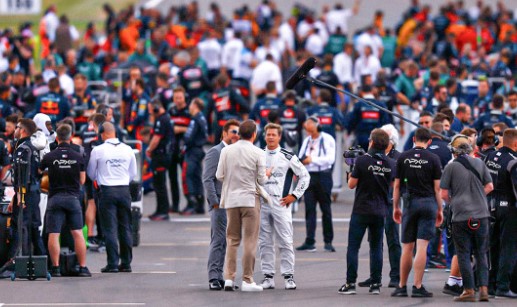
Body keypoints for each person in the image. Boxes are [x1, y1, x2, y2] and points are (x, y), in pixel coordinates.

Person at [339, 129, 395, 295]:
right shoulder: (391, 163)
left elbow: (351, 184)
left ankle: (350, 283)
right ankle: (376, 284)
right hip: (380, 210)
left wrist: (351, 169)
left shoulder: (362, 161)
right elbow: (393, 186)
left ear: (371, 142)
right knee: (377, 247)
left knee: (353, 247)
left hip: (362, 209)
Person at [440, 134, 493, 302]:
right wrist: (477, 196)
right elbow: (490, 186)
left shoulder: (451, 167)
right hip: (482, 214)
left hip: (461, 216)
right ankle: (484, 289)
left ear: (454, 151)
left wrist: (454, 202)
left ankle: (469, 290)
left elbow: (443, 193)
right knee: (481, 253)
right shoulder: (479, 163)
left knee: (463, 253)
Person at [216, 119, 267, 292]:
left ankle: (229, 278)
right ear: (254, 134)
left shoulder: (226, 151)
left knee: (232, 240)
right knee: (250, 240)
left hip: (231, 200)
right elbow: (262, 179)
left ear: (239, 133)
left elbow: (219, 175)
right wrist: (267, 174)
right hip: (250, 199)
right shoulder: (258, 152)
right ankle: (247, 279)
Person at [392, 128, 443, 298]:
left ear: (414, 139)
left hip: (410, 203)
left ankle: (401, 286)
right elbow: (437, 188)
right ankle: (417, 285)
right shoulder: (433, 158)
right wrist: (440, 208)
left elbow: (397, 185)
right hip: (428, 203)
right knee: (422, 246)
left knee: (407, 247)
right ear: (429, 142)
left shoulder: (403, 157)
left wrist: (396, 207)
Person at [259, 123, 310, 291]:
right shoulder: (258, 154)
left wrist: (294, 195)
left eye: (274, 134)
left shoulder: (288, 156)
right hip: (262, 204)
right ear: (265, 136)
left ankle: (289, 276)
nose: (271, 137)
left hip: (281, 204)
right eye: (268, 135)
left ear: (279, 137)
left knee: (285, 241)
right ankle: (268, 277)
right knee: (265, 241)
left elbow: (304, 176)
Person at [41, 124, 91, 277]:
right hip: (73, 198)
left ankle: (55, 268)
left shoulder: (49, 156)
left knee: (54, 233)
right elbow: (82, 180)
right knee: (77, 233)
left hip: (55, 197)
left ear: (57, 138)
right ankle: (82, 267)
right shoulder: (78, 156)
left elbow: (38, 172)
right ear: (70, 137)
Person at [87, 122, 137, 273]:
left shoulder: (98, 150)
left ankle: (113, 263)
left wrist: (103, 178)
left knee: (110, 228)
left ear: (101, 134)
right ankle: (126, 262)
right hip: (123, 190)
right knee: (125, 227)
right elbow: (132, 173)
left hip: (107, 190)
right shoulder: (128, 149)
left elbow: (91, 173)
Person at [203, 119, 240, 291]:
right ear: (224, 133)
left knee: (228, 242)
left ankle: (221, 276)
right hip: (220, 203)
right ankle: (213, 277)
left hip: (233, 203)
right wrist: (215, 202)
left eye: (238, 132)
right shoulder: (216, 151)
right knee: (218, 240)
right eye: (233, 131)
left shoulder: (235, 151)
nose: (236, 135)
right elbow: (208, 179)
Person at [485, 128, 517, 298]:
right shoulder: (513, 161)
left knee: (493, 246)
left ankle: (491, 285)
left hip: (491, 205)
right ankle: (503, 286)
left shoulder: (491, 156)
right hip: (509, 208)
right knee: (508, 247)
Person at [296, 117, 336, 252]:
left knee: (326, 210)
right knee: (309, 209)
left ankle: (328, 241)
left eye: (310, 129)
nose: (309, 133)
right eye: (307, 130)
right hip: (309, 177)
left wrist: (312, 160)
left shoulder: (328, 139)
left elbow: (330, 159)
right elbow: (301, 156)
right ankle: (310, 240)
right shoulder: (307, 140)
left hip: (323, 176)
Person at [147, 101, 174, 221]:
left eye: (151, 110)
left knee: (160, 185)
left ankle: (163, 211)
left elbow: (156, 138)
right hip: (163, 155)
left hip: (160, 156)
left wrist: (149, 149)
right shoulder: (165, 118)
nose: (150, 112)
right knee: (158, 184)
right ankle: (160, 210)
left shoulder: (161, 120)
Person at [181, 98, 208, 215]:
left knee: (188, 176)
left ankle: (191, 204)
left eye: (191, 104)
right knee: (197, 176)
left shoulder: (195, 119)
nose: (189, 106)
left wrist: (184, 143)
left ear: (195, 106)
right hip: (199, 150)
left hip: (192, 151)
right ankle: (200, 204)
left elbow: (188, 137)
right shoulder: (202, 118)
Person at [168, 86, 191, 213]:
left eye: (180, 98)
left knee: (186, 177)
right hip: (172, 148)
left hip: (185, 148)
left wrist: (180, 129)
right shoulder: (171, 111)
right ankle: (175, 204)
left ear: (184, 98)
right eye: (175, 98)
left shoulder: (189, 111)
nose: (178, 100)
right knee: (172, 178)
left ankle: (190, 202)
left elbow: (194, 129)